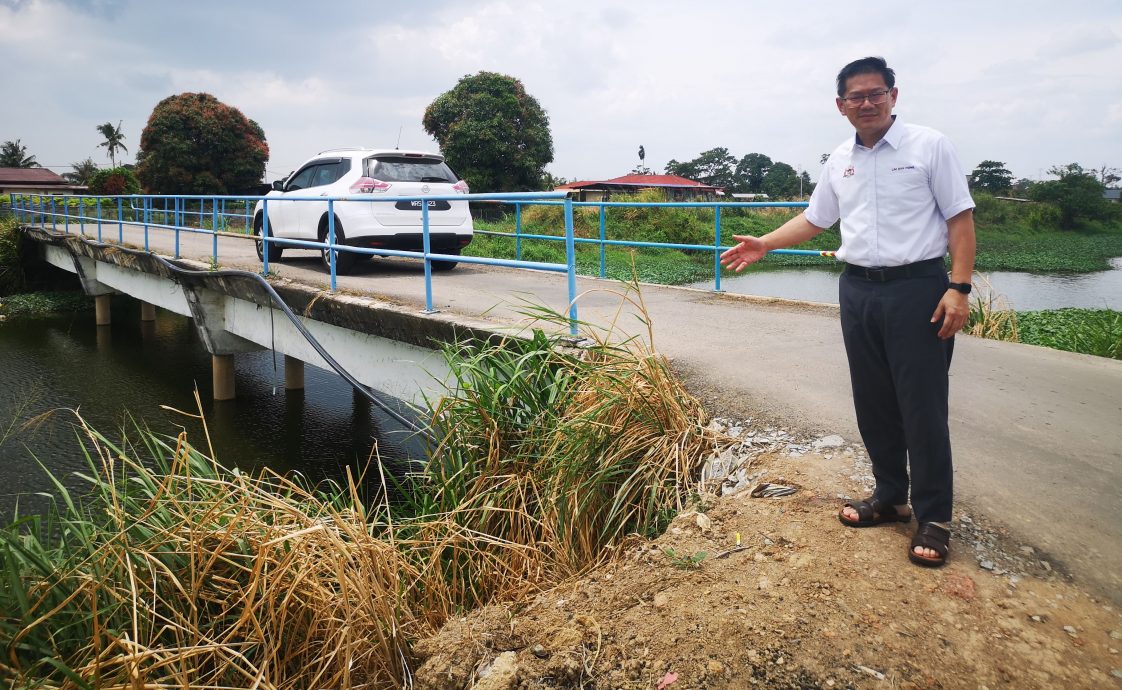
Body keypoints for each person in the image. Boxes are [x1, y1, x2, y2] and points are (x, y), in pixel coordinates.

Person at [720, 56, 976, 567]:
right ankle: (890, 497)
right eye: (855, 97)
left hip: (918, 288)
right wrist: (765, 244)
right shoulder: (839, 159)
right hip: (857, 288)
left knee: (922, 404)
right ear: (841, 106)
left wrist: (959, 288)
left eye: (875, 93)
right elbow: (817, 219)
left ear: (893, 96)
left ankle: (934, 516)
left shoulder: (930, 146)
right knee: (873, 399)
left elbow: (960, 219)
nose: (867, 103)